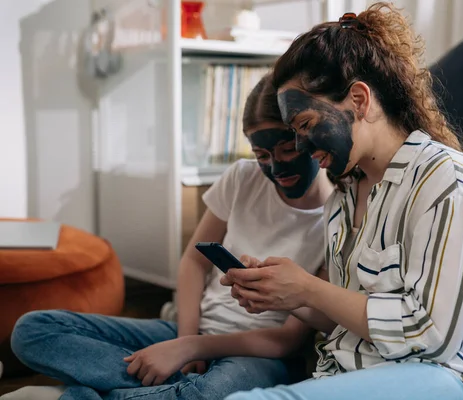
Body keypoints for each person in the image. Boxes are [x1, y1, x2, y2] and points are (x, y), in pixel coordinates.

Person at [220, 3, 463, 400]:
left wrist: (308, 288)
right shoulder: (343, 195)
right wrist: (283, 294)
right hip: (350, 373)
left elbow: (430, 334)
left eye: (306, 125)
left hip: (446, 378)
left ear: (359, 99)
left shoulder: (448, 184)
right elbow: (346, 320)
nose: (300, 146)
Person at [6, 73, 333, 400]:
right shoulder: (242, 178)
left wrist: (192, 347)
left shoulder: (338, 217)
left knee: (212, 392)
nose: (275, 167)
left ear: (310, 138)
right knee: (32, 330)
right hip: (188, 330)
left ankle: (89, 393)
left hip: (257, 356)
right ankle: (162, 388)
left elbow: (286, 340)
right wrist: (183, 342)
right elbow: (193, 261)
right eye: (261, 155)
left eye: (288, 149)